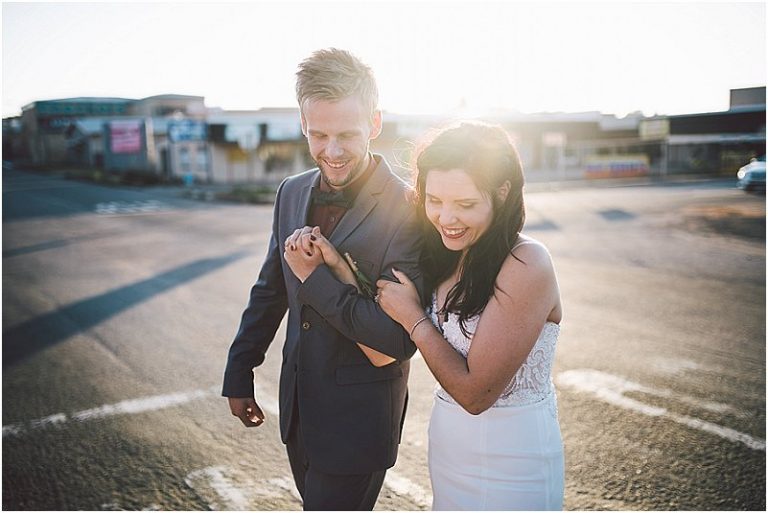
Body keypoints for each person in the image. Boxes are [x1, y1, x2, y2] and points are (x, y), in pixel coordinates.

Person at [312, 121, 565, 510]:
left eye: (465, 204)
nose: (447, 218)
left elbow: (474, 394)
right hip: (449, 452)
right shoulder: (445, 258)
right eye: (434, 200)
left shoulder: (527, 262)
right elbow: (382, 354)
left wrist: (414, 319)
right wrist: (337, 272)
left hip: (514, 462)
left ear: (502, 192)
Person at [222, 48, 423, 511]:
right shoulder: (291, 191)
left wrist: (318, 278)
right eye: (319, 135)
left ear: (374, 123)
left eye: (347, 135)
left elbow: (397, 338)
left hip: (359, 420)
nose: (332, 151)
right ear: (303, 125)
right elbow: (271, 289)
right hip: (299, 409)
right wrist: (239, 368)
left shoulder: (409, 208)